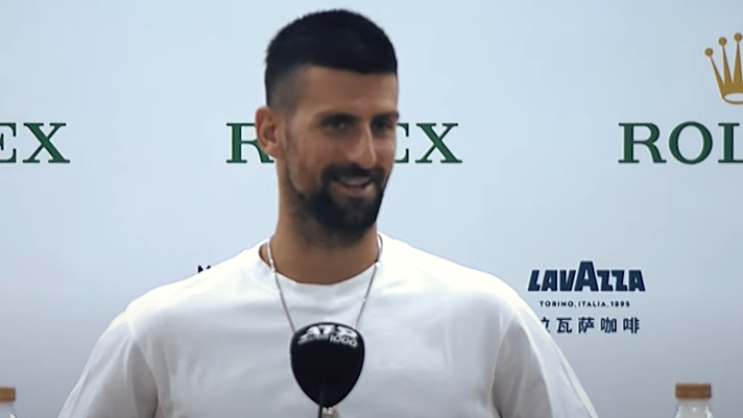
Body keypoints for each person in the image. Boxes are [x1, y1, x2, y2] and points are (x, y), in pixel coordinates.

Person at [58, 9, 599, 418]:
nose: (365, 155)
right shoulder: (158, 332)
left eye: (382, 126)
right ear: (270, 132)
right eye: (338, 124)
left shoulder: (488, 320)